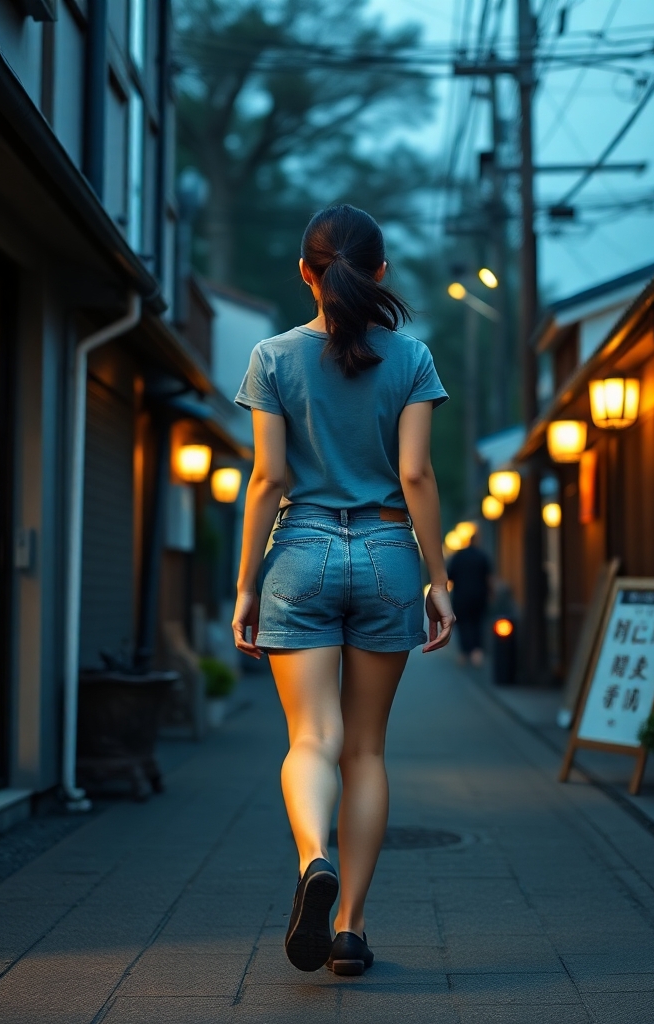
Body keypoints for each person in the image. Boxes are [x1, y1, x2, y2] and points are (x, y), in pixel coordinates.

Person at [232, 204, 455, 977]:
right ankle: (352, 930)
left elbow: (267, 478)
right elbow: (417, 475)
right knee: (365, 749)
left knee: (311, 741)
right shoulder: (413, 358)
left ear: (306, 272)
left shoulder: (271, 358)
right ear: (380, 272)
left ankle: (313, 858)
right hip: (390, 554)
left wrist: (246, 585)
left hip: (300, 552)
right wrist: (439, 581)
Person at [447, 531, 492, 667]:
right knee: (477, 623)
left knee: (463, 624)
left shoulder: (459, 556)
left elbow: (450, 576)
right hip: (479, 596)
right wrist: (491, 594)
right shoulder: (482, 556)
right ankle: (477, 652)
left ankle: (464, 652)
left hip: (461, 596)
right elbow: (488, 578)